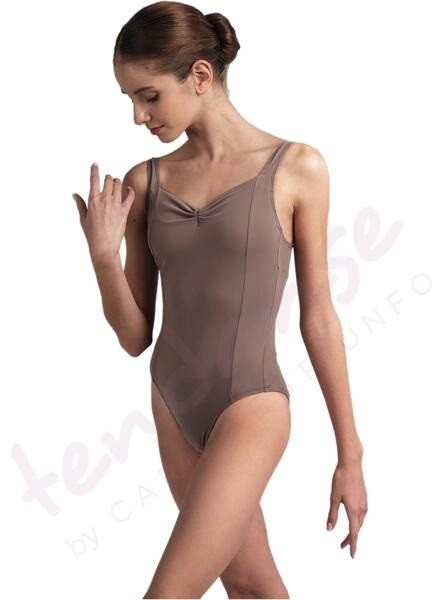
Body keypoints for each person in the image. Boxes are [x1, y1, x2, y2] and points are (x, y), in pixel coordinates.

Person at [72, 2, 368, 598]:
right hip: (172, 405)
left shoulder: (297, 168)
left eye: (149, 96)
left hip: (251, 405)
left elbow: (318, 316)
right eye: (130, 99)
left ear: (200, 76)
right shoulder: (145, 183)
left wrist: (350, 454)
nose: (137, 116)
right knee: (251, 585)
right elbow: (134, 337)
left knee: (168, 593)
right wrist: (103, 257)